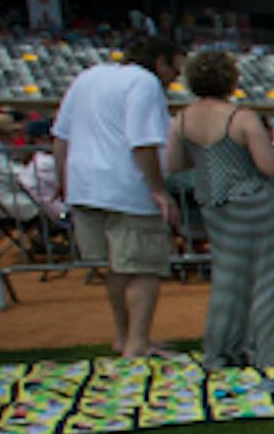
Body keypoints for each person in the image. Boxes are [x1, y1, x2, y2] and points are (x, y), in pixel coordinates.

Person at [50, 33, 184, 358]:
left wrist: (63, 180)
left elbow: (60, 137)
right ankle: (137, 343)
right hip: (127, 188)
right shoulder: (144, 82)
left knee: (117, 268)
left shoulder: (88, 77)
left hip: (86, 186)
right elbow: (143, 141)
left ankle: (125, 336)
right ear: (159, 62)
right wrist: (158, 189)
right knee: (143, 268)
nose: (174, 79)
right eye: (173, 70)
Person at [165, 50, 274, 369]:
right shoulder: (242, 117)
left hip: (213, 204)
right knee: (266, 278)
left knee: (228, 279)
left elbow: (175, 164)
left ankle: (221, 349)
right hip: (252, 204)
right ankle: (269, 350)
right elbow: (267, 166)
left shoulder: (181, 119)